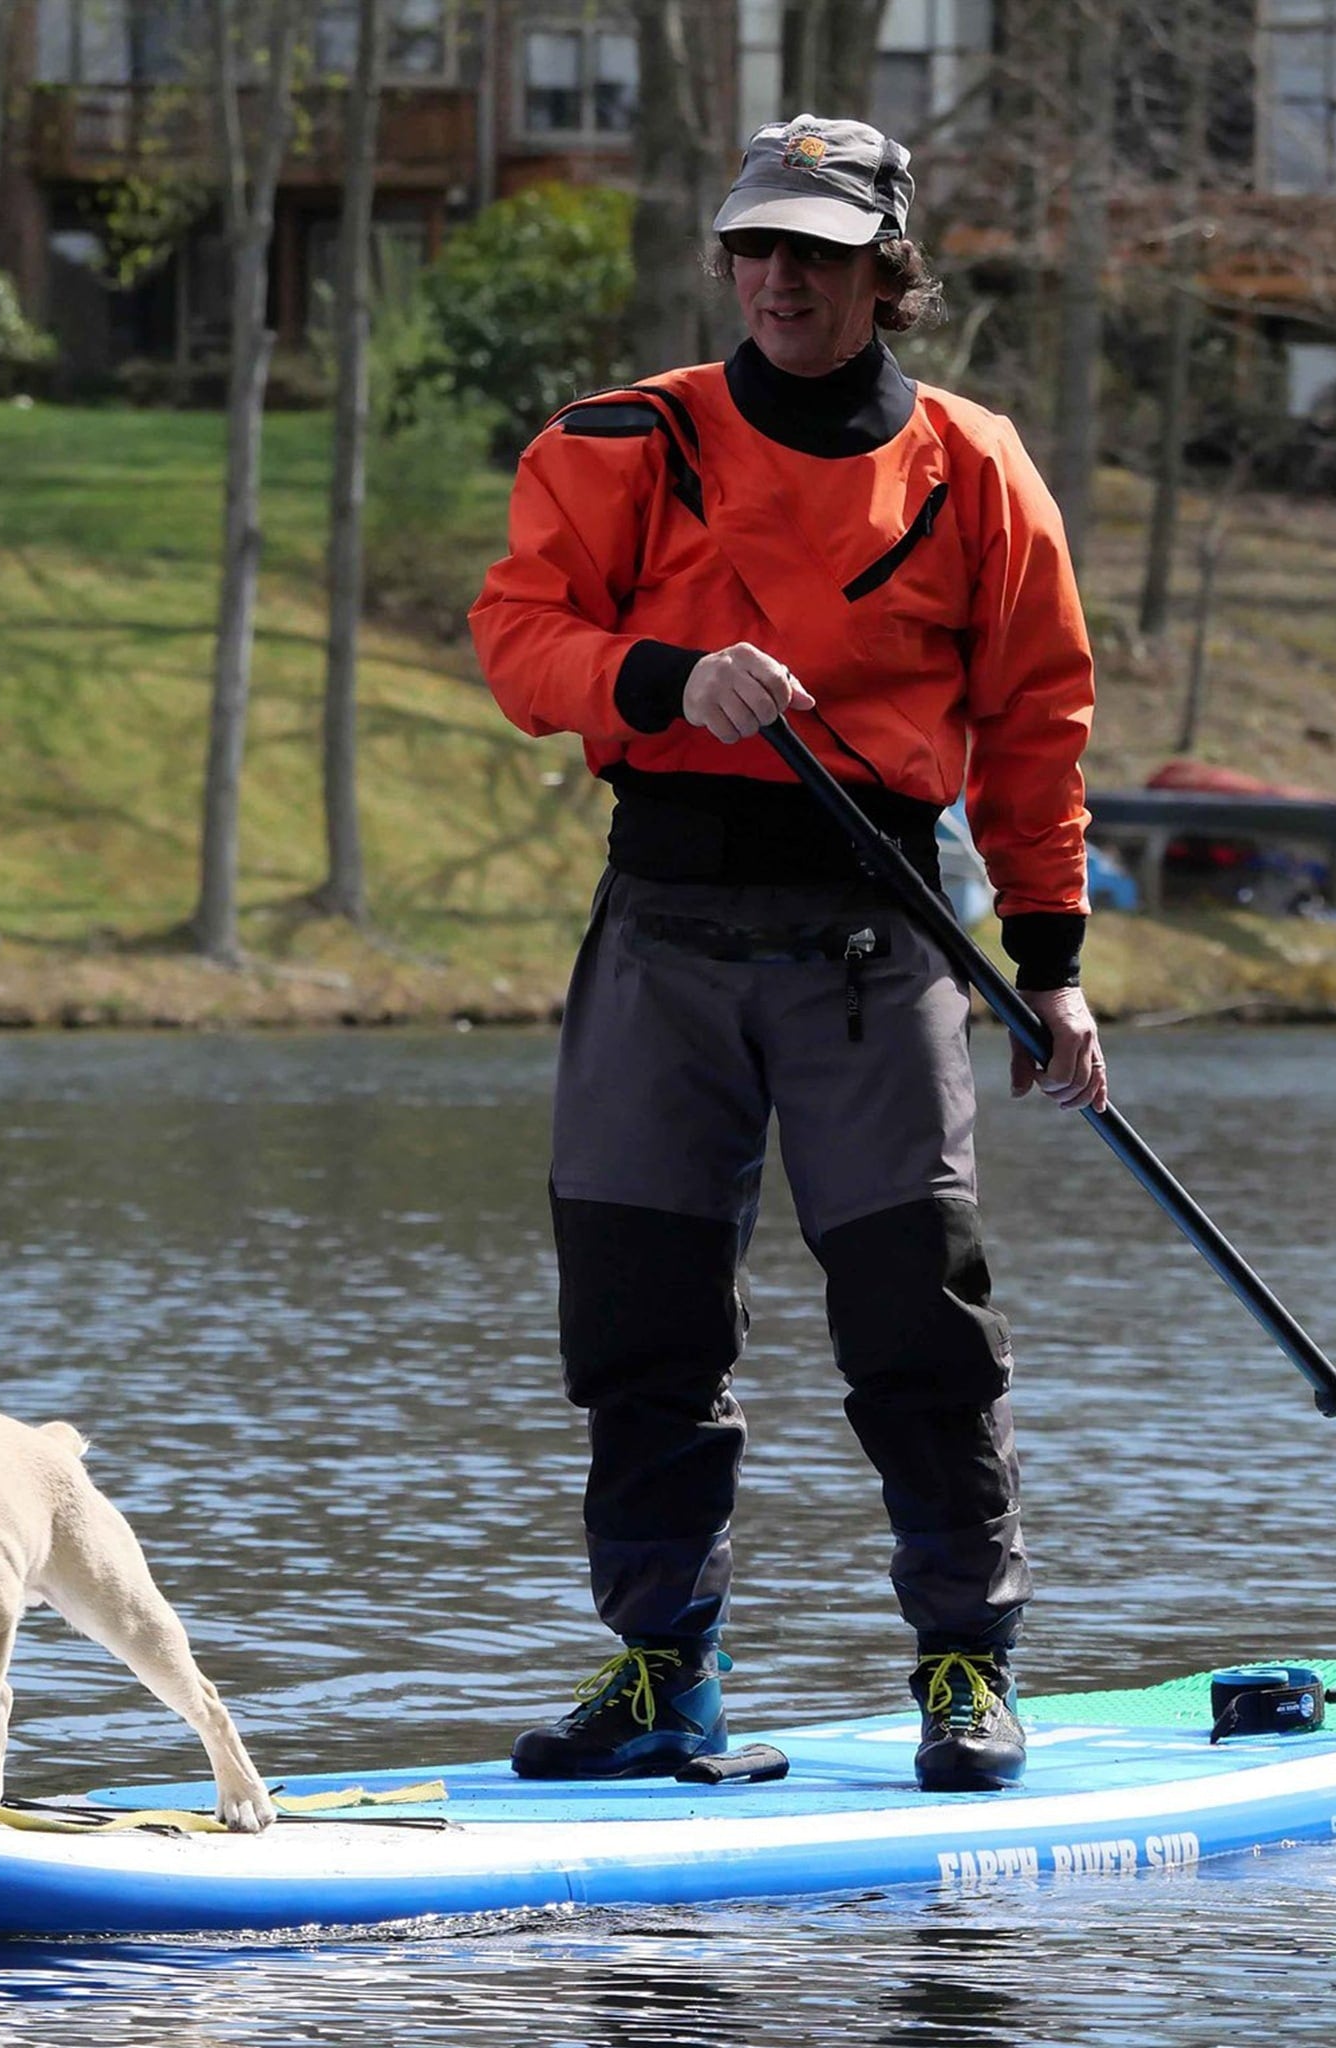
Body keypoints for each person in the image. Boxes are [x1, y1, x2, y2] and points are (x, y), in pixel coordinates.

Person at [467, 114, 1106, 1793]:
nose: (777, 283)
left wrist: (1048, 967)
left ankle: (966, 1666)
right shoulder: (617, 445)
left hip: (874, 947)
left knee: (918, 1316)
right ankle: (665, 1670)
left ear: (888, 274)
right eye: (755, 249)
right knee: (640, 1322)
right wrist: (670, 676)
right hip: (658, 939)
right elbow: (521, 641)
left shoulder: (977, 469)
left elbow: (1039, 728)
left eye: (815, 256)